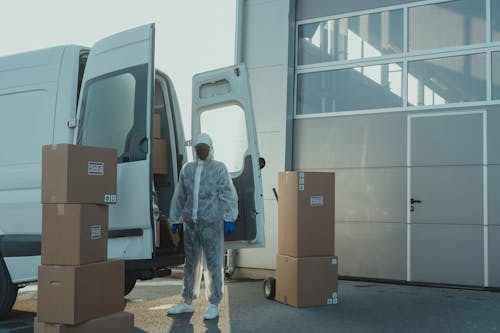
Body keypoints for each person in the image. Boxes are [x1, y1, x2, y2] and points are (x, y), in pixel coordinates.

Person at [167, 132, 238, 320]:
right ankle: (187, 301)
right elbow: (180, 195)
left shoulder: (219, 168)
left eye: (205, 148)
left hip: (211, 224)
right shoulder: (187, 170)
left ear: (211, 148)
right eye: (198, 148)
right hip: (191, 224)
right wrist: (175, 219)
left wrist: (229, 217)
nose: (201, 151)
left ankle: (214, 303)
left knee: (214, 263)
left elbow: (227, 193)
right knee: (190, 263)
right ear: (194, 149)